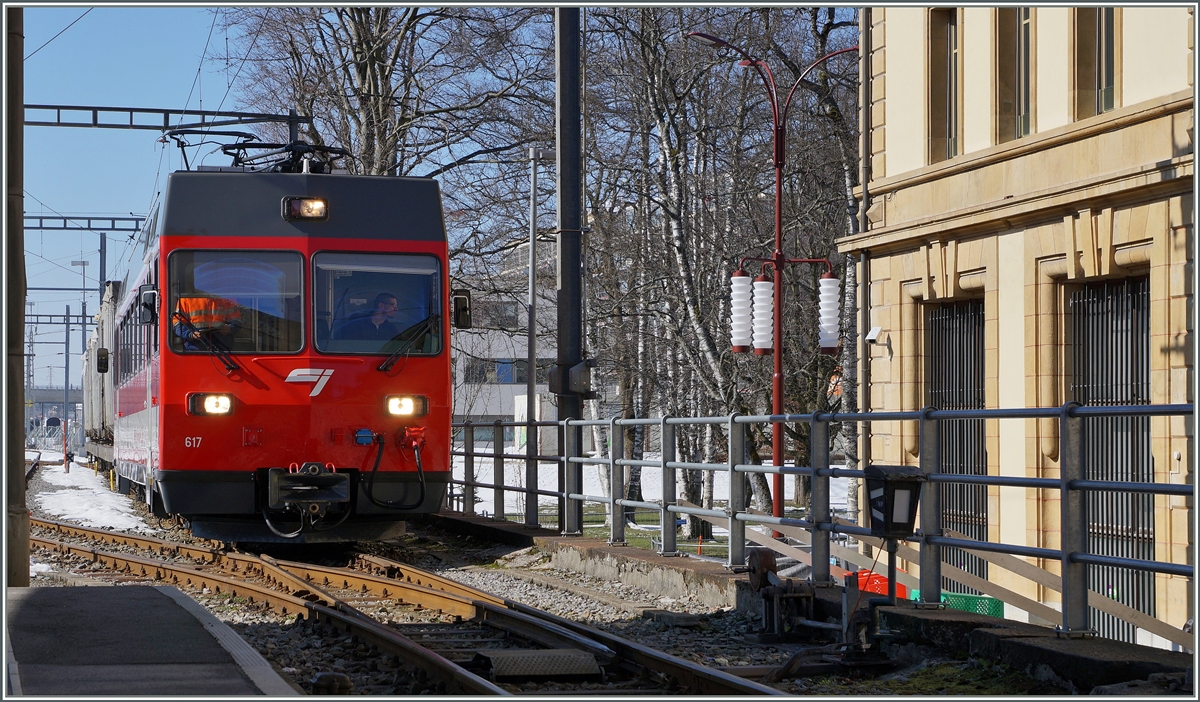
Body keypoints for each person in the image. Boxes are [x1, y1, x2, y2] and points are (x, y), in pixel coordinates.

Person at [174, 294, 242, 351]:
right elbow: (177, 324)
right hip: (195, 351)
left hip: (224, 351)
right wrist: (191, 334)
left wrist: (229, 328)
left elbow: (237, 322)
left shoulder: (228, 299)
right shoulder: (186, 299)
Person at [335, 293, 401, 342]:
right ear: (381, 305)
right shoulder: (358, 321)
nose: (396, 309)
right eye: (393, 305)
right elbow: (347, 345)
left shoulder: (391, 328)